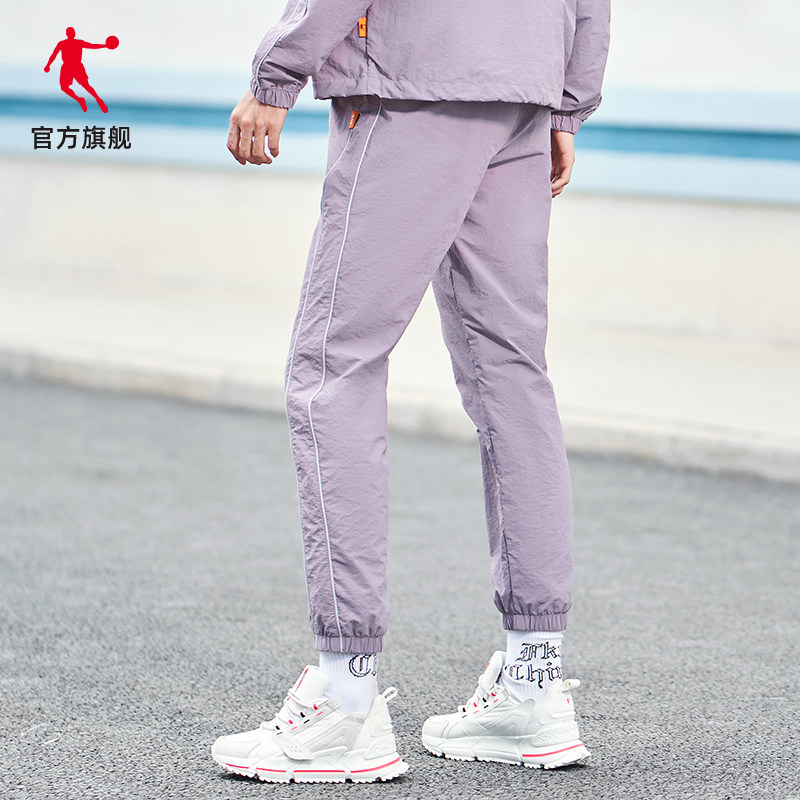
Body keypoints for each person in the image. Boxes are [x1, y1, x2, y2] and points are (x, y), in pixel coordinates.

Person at [212, 0, 610, 783]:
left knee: (334, 368)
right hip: (524, 93)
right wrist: (568, 103)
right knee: (513, 377)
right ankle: (533, 685)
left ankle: (345, 703)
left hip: (413, 82)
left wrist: (276, 74)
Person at [44, 27, 111, 113]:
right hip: (68, 67)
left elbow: (91, 46)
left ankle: (97, 100)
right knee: (66, 87)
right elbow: (54, 55)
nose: (72, 34)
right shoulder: (64, 43)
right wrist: (48, 65)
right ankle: (81, 100)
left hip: (75, 66)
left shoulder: (75, 42)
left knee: (84, 85)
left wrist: (105, 45)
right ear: (70, 34)